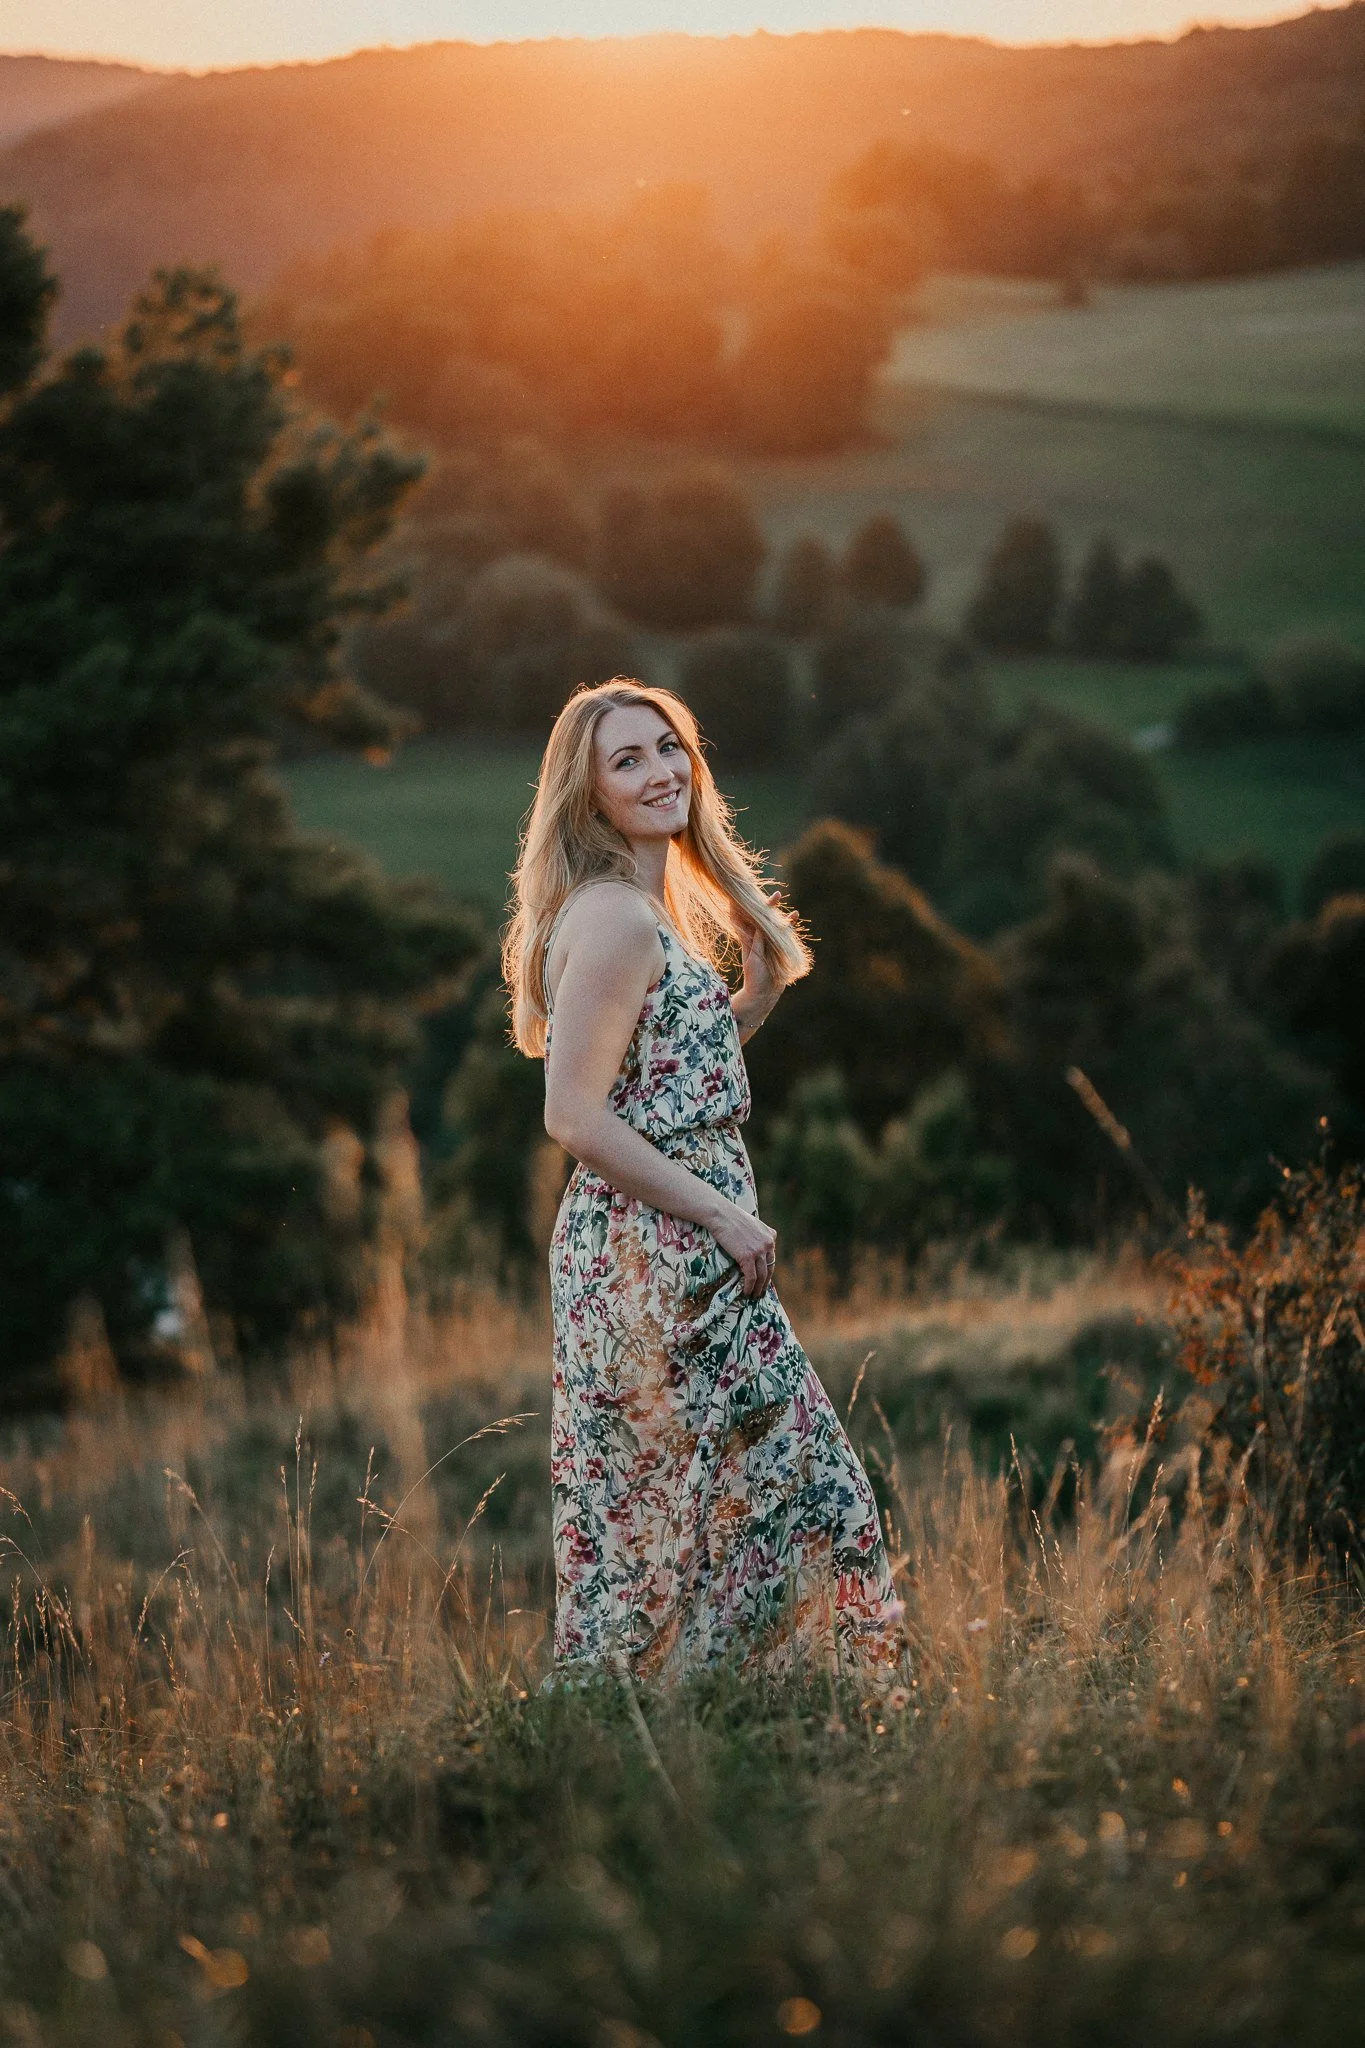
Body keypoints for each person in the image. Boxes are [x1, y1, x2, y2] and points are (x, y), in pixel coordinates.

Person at [503, 679, 905, 1683]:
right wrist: (728, 1214)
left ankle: (710, 1734)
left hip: (680, 1256)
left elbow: (661, 1086)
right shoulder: (616, 920)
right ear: (587, 794)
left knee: (695, 1521)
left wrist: (748, 1001)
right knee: (793, 1491)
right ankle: (786, 1715)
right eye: (626, 760)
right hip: (653, 1265)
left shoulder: (641, 915)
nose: (659, 771)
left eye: (668, 746)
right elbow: (575, 1114)